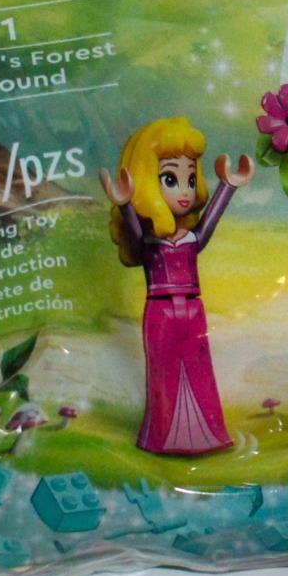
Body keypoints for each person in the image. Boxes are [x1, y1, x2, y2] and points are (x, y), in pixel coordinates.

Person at [98, 116, 253, 456]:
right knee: (163, 376)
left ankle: (206, 434)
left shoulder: (192, 238)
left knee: (200, 372)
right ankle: (162, 437)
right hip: (160, 313)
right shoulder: (150, 242)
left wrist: (229, 184)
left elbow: (209, 223)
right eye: (170, 179)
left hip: (193, 311)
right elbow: (136, 241)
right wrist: (125, 204)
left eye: (190, 179)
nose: (184, 190)